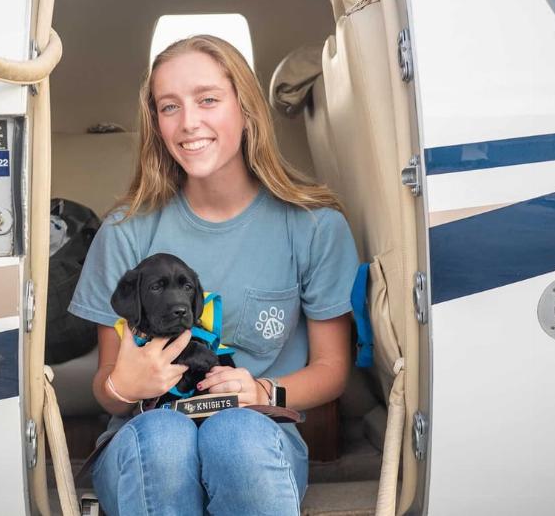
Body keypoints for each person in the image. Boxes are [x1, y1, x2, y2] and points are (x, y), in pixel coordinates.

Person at [68, 34, 358, 515]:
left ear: (245, 108)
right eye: (169, 107)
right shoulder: (125, 233)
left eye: (207, 100)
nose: (188, 123)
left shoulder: (313, 226)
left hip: (258, 437)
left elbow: (333, 369)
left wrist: (263, 390)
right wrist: (124, 386)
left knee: (237, 433)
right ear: (156, 123)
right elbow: (107, 385)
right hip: (142, 438)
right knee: (165, 435)